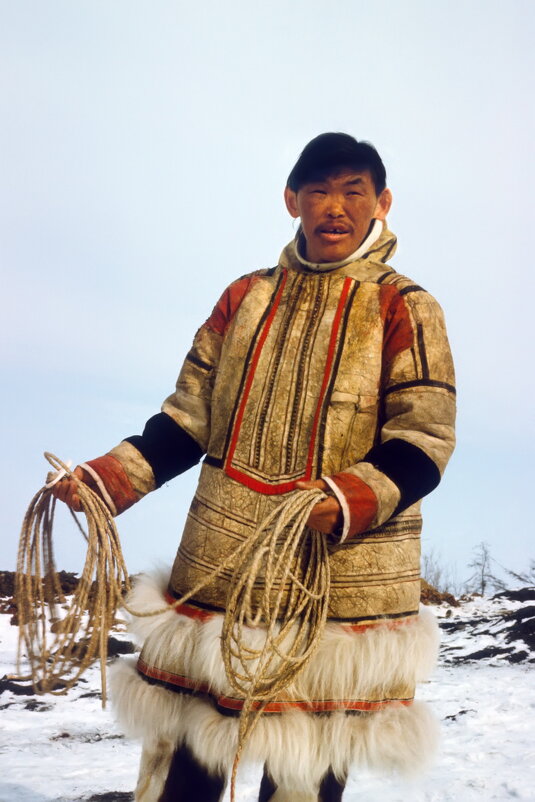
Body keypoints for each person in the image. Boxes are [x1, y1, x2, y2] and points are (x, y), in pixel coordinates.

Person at [54, 132, 456, 802]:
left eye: (352, 191)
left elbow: (424, 433)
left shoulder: (405, 305)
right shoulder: (244, 297)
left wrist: (349, 496)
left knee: (307, 760)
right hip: (224, 559)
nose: (335, 206)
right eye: (320, 190)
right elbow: (189, 417)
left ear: (381, 202)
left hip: (339, 575)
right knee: (191, 748)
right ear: (290, 200)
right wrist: (107, 478)